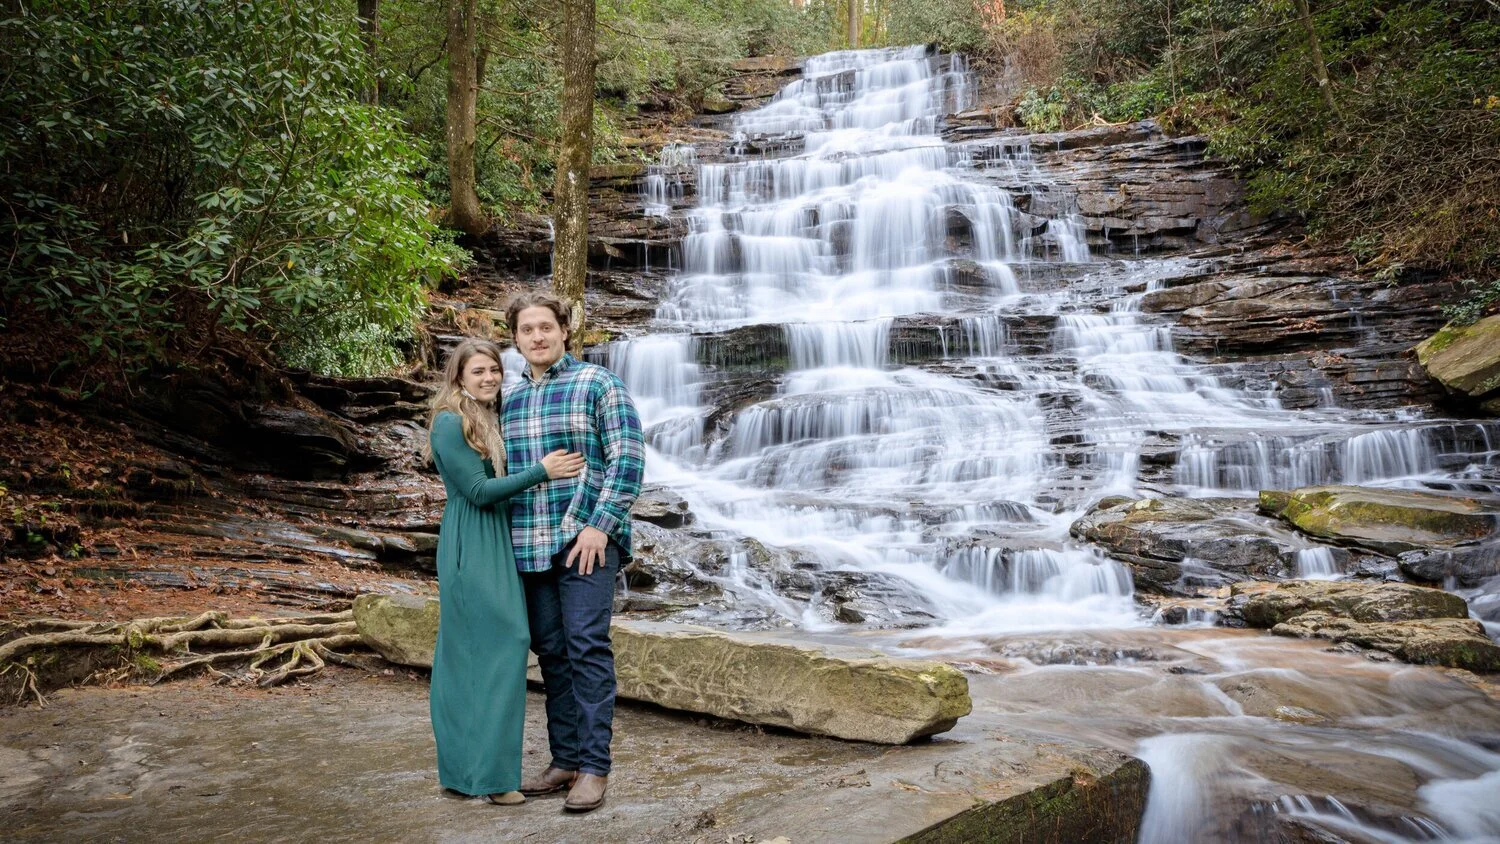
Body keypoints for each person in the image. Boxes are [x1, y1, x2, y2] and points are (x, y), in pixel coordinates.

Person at [424, 337, 585, 805]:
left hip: (498, 539)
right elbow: (477, 491)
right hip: (471, 542)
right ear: (458, 377)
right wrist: (543, 471)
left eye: (494, 370)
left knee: (490, 651)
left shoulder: (486, 417)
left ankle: (473, 774)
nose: (489, 378)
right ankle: (489, 779)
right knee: (496, 647)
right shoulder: (450, 423)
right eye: (478, 372)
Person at [502, 292, 644, 814]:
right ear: (515, 339)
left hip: (585, 542)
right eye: (526, 330)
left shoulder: (598, 383)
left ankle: (593, 768)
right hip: (528, 545)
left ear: (564, 329)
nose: (536, 337)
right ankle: (564, 759)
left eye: (545, 326)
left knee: (586, 646)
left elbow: (627, 461)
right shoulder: (509, 399)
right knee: (552, 653)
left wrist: (600, 528)